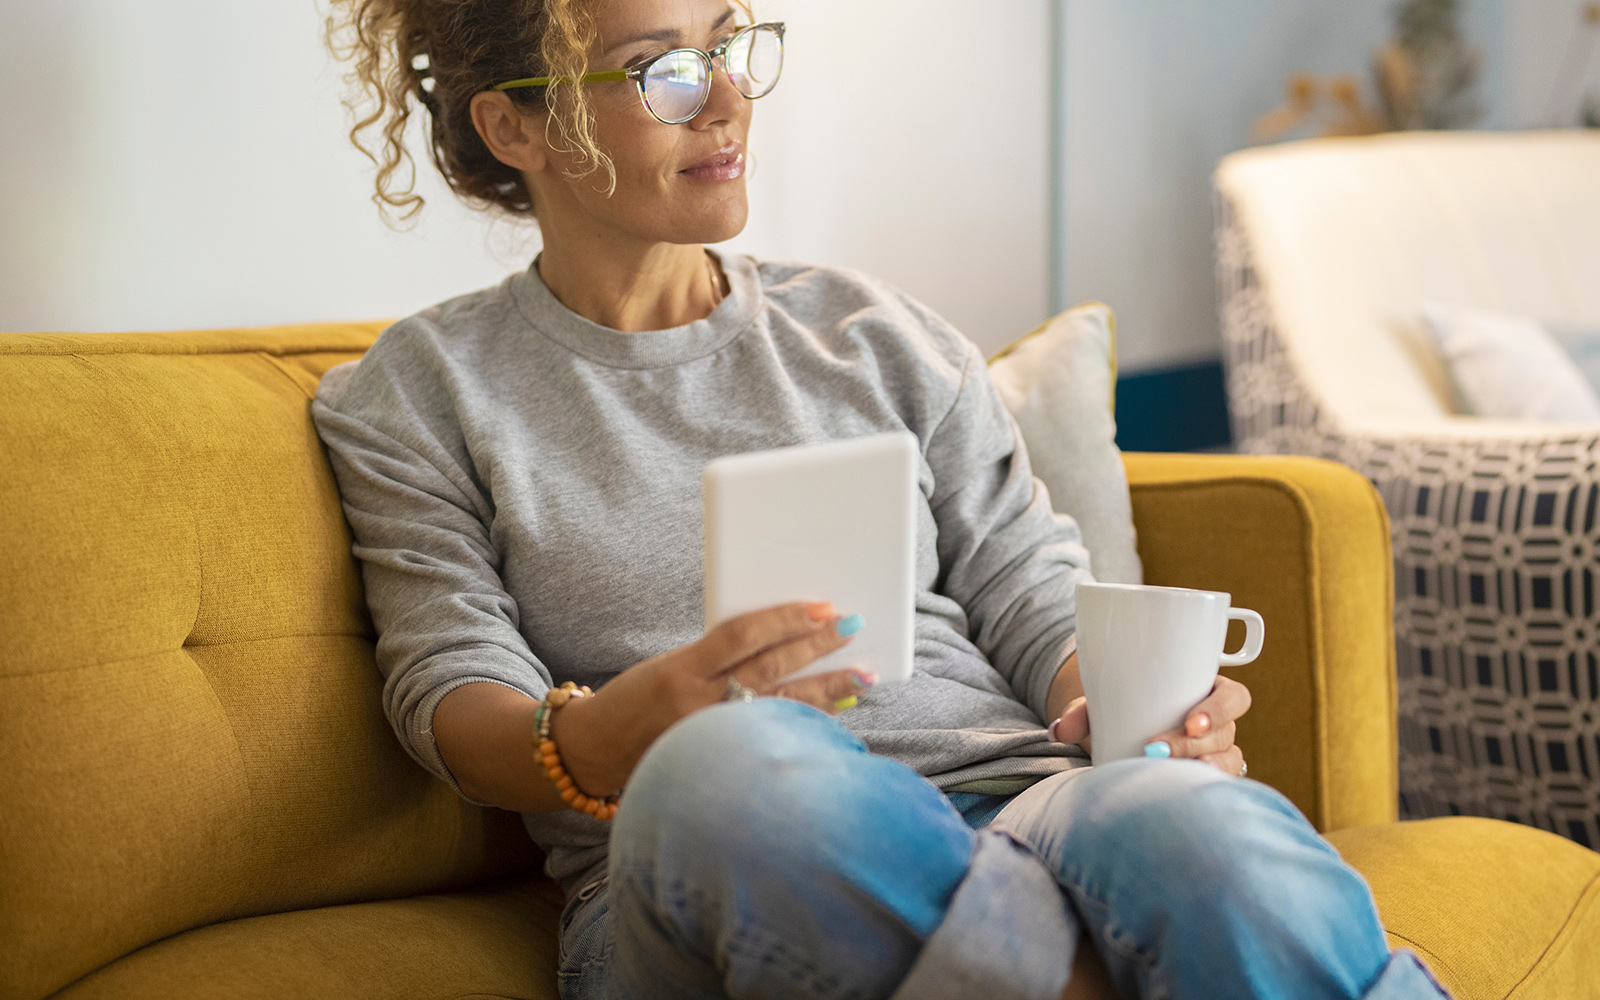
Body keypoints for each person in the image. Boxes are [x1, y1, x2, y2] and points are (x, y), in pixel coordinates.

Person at [312, 1, 1452, 997]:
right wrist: (604, 737)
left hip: (1024, 805)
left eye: (729, 44)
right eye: (663, 68)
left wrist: (1128, 706)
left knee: (1184, 823)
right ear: (515, 125)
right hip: (706, 861)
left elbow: (1030, 585)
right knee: (731, 768)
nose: (723, 102)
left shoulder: (876, 334)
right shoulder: (418, 394)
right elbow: (449, 688)